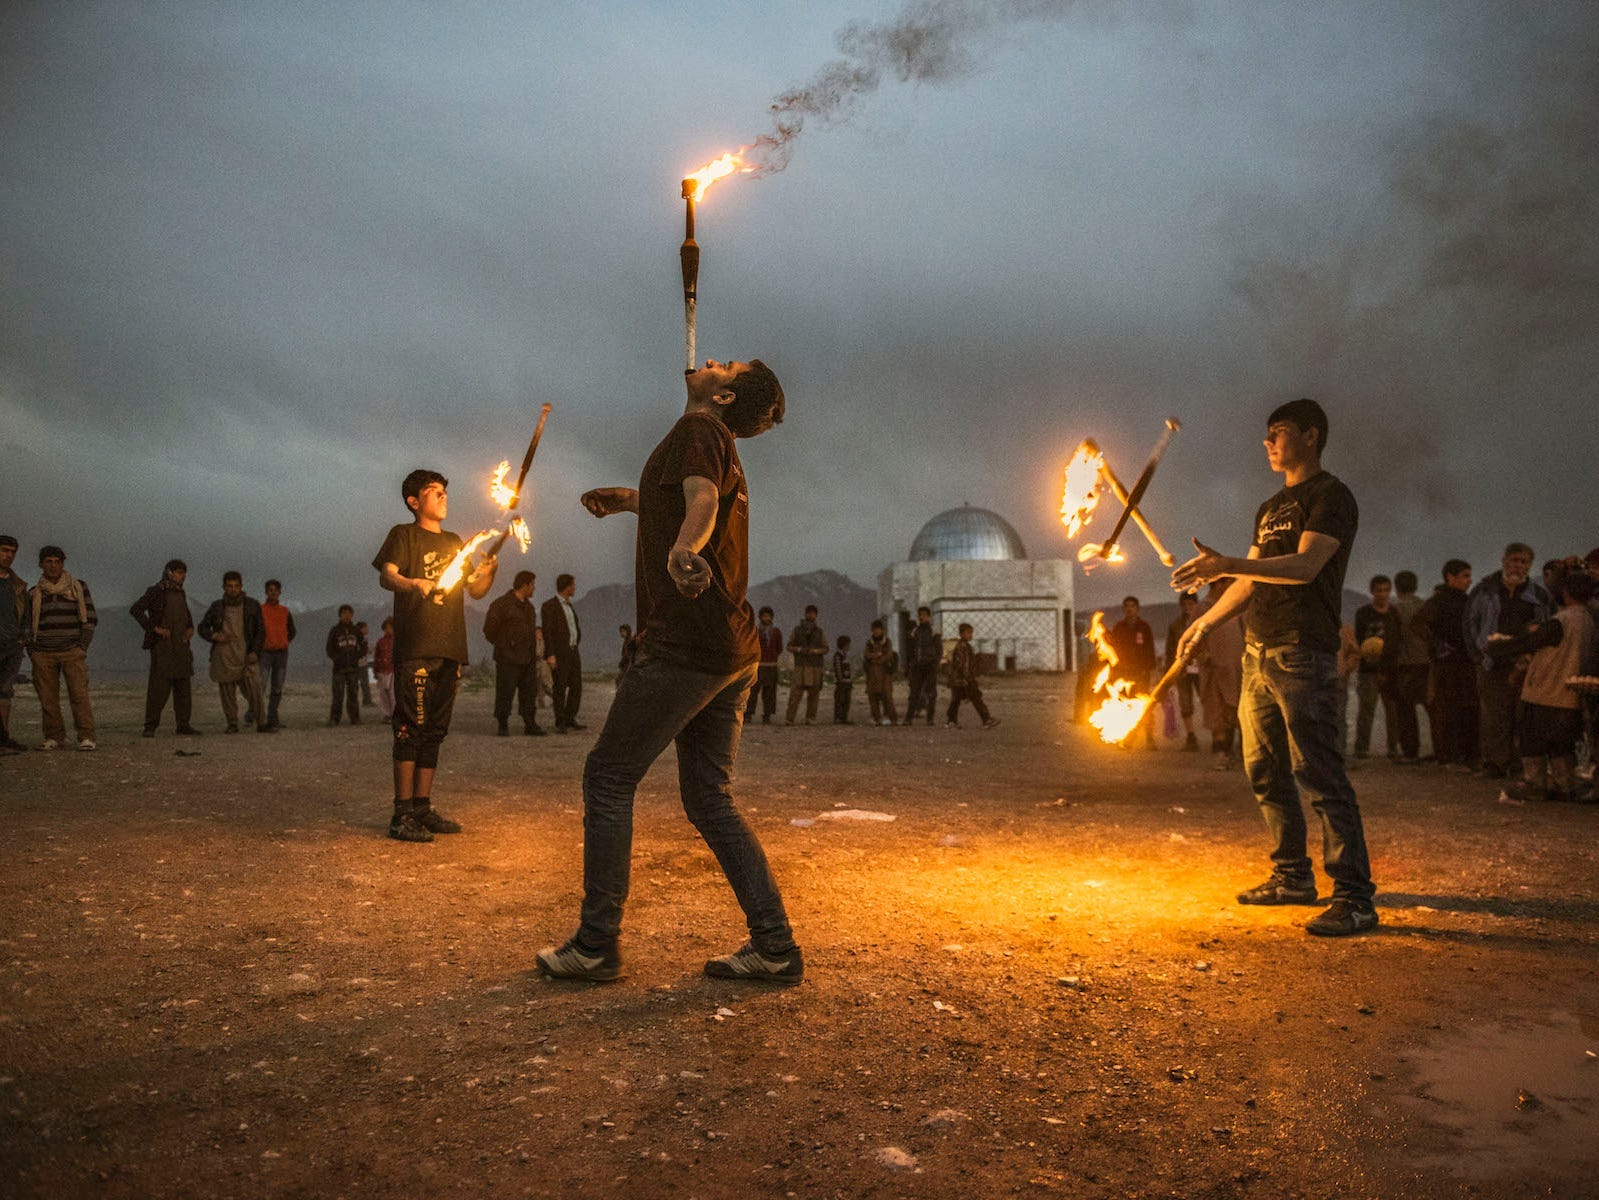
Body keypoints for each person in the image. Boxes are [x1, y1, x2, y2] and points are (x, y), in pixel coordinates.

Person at [537, 356, 800, 984]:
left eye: (724, 364)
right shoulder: (712, 445)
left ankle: (596, 944)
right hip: (732, 647)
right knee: (709, 799)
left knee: (608, 776)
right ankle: (775, 946)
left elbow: (702, 501)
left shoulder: (700, 431)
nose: (709, 360)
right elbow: (693, 494)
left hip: (686, 643)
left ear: (726, 393)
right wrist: (635, 501)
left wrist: (684, 548)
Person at [1172, 397, 1378, 937]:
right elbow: (1253, 578)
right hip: (1258, 652)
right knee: (1264, 769)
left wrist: (1229, 562)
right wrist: (1206, 622)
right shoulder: (1270, 507)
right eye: (1266, 434)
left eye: (1279, 433)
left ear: (1311, 436)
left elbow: (1306, 566)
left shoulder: (1331, 496)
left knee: (1319, 772)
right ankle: (1291, 877)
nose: (1268, 443)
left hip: (1302, 651)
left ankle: (1355, 897)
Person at [374, 468, 498, 842]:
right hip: (416, 647)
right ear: (414, 502)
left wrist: (489, 572)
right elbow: (387, 575)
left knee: (435, 731)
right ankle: (402, 813)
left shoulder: (455, 542)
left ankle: (423, 808)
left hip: (449, 647)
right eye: (433, 491)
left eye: (444, 490)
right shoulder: (404, 535)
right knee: (410, 727)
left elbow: (475, 591)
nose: (443, 495)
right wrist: (415, 583)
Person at [1493, 571, 1597, 802]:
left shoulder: (1563, 620)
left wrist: (1499, 646)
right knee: (1561, 743)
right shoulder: (1588, 619)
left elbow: (1531, 642)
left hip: (1546, 692)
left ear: (1566, 593)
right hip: (1570, 694)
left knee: (1532, 740)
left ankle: (1535, 782)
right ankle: (1564, 784)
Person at [1464, 543, 1551, 779]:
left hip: (1525, 664)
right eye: (1514, 560)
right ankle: (1494, 763)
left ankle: (1517, 763)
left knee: (1522, 715)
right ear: (1503, 561)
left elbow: (1547, 627)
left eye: (1523, 562)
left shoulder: (1539, 595)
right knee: (1493, 715)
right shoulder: (1484, 590)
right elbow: (1469, 624)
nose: (1518, 566)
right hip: (1491, 662)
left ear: (1529, 565)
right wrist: (1478, 656)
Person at [25, 544, 98, 751]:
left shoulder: (77, 587)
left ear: (63, 564)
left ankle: (86, 736)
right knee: (48, 698)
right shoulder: (34, 593)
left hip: (71, 651)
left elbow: (90, 618)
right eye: (49, 562)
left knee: (79, 695)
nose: (53, 566)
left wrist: (82, 647)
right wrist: (33, 651)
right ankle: (54, 737)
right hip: (43, 653)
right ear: (41, 564)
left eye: (57, 562)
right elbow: (28, 624)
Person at [1414, 559, 1477, 770]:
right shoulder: (1438, 601)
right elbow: (1418, 623)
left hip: (1466, 663)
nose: (1469, 581)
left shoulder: (1468, 601)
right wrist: (1437, 645)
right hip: (1446, 666)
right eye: (1465, 576)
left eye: (1469, 576)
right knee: (1446, 710)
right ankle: (1448, 756)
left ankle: (1465, 755)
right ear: (1450, 577)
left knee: (1467, 709)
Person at [130, 559, 201, 738]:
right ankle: (150, 726)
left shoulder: (181, 592)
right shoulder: (156, 591)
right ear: (169, 572)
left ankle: (183, 725)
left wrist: (191, 628)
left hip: (181, 646)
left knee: (183, 688)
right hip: (163, 647)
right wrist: (154, 629)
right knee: (158, 688)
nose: (182, 576)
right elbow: (136, 609)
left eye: (184, 573)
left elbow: (185, 615)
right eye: (179, 572)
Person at [197, 570, 266, 734]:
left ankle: (262, 722)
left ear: (241, 586)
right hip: (224, 655)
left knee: (254, 689)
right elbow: (202, 627)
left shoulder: (252, 605)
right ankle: (232, 723)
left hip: (246, 654)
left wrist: (255, 651)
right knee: (227, 692)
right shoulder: (217, 606)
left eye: (236, 586)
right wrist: (214, 635)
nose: (233, 589)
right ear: (224, 587)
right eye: (229, 586)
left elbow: (260, 632)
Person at [484, 569, 545, 737]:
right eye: (532, 584)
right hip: (508, 658)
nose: (534, 588)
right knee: (505, 692)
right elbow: (489, 630)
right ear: (524, 585)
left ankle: (530, 723)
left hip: (528, 658)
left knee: (529, 693)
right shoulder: (502, 605)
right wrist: (504, 646)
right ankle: (502, 724)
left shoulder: (530, 608)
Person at [1196, 579, 1244, 769]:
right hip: (1214, 672)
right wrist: (1205, 656)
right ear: (1218, 584)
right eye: (1229, 583)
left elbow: (1245, 631)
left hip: (1236, 671)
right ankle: (1221, 755)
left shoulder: (1234, 606)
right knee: (1217, 718)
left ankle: (1235, 753)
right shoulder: (1202, 609)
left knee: (1234, 714)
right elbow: (1193, 639)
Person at [1352, 575, 1400, 759]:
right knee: (1366, 710)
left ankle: (1393, 748)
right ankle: (1361, 748)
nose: (1383, 594)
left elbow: (1397, 641)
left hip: (1390, 670)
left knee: (1392, 711)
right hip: (1368, 670)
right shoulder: (1363, 613)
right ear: (1372, 591)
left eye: (1386, 590)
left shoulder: (1394, 614)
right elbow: (1358, 638)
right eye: (1379, 590)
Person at [1107, 596, 1157, 748]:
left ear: (1137, 609)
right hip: (1123, 673)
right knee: (1125, 705)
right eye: (1127, 606)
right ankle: (1127, 737)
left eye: (1132, 606)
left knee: (1144, 705)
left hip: (1141, 673)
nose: (1130, 609)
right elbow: (1112, 650)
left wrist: (1150, 669)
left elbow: (1150, 650)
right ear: (1123, 609)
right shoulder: (1118, 628)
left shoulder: (1144, 627)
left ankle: (1149, 737)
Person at [541, 573, 585, 733]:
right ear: (566, 587)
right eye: (573, 585)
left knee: (576, 686)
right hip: (560, 653)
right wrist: (550, 654)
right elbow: (548, 632)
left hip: (573, 651)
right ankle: (560, 721)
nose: (574, 588)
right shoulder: (550, 606)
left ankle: (570, 717)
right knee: (560, 687)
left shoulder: (569, 606)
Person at [254, 579, 296, 730]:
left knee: (277, 687)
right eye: (270, 590)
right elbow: (255, 631)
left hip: (281, 653)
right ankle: (256, 714)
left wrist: (283, 641)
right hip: (265, 653)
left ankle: (273, 717)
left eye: (275, 590)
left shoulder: (285, 611)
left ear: (279, 592)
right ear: (266, 592)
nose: (273, 592)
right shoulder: (260, 610)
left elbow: (292, 631)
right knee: (261, 685)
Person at [0, 535, 29, 751]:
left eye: (12, 551)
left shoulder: (16, 584)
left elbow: (23, 614)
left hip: (12, 644)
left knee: (5, 691)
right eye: (4, 550)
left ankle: (3, 737)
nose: (8, 555)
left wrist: (21, 639)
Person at [1164, 592, 1203, 751]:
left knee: (1209, 699)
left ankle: (1221, 737)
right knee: (1185, 703)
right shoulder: (1175, 625)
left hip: (1202, 669)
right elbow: (1170, 650)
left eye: (1191, 604)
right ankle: (1191, 736)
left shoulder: (1204, 622)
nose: (1188, 608)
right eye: (1185, 605)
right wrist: (1169, 674)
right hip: (1183, 670)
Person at [945, 623, 1000, 729]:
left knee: (957, 700)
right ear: (961, 634)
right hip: (963, 679)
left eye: (971, 633)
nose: (971, 635)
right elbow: (962, 664)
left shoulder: (965, 646)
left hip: (959, 679)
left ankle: (951, 721)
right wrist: (968, 678)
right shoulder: (962, 647)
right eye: (968, 633)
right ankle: (986, 719)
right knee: (975, 698)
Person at [785, 605, 827, 725]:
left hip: (815, 666)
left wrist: (815, 651)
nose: (811, 615)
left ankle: (810, 718)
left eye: (813, 613)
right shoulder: (797, 630)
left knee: (814, 694)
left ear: (816, 615)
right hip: (801, 666)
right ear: (805, 614)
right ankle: (790, 718)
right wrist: (799, 649)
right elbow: (789, 646)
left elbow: (825, 648)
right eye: (809, 613)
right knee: (795, 693)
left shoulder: (820, 632)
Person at [325, 606, 365, 726]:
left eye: (349, 613)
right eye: (344, 613)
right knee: (338, 694)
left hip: (353, 667)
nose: (346, 615)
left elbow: (363, 644)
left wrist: (358, 656)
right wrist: (336, 658)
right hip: (339, 668)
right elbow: (329, 648)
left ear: (352, 615)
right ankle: (334, 718)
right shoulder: (335, 630)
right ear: (340, 615)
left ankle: (355, 718)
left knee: (353, 693)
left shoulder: (356, 630)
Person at [904, 606, 943, 726]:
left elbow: (939, 650)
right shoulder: (914, 632)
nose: (921, 617)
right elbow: (909, 651)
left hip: (930, 666)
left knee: (931, 693)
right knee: (914, 693)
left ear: (929, 617)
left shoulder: (934, 632)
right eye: (920, 615)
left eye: (924, 615)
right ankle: (908, 718)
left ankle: (930, 718)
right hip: (917, 667)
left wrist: (935, 663)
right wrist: (909, 665)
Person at [743, 606, 783, 723]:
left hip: (771, 666)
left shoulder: (776, 632)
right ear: (760, 617)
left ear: (771, 617)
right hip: (757, 665)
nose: (766, 618)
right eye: (764, 616)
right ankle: (748, 714)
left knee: (769, 693)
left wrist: (772, 656)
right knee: (752, 691)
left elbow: (779, 648)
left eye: (768, 616)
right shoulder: (755, 630)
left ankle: (767, 715)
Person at [863, 619, 899, 726]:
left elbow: (889, 655)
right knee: (873, 697)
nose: (876, 632)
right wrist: (876, 656)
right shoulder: (869, 643)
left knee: (887, 697)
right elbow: (866, 654)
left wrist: (877, 659)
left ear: (882, 630)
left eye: (878, 629)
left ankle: (893, 719)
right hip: (872, 674)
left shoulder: (887, 641)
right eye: (874, 630)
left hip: (884, 674)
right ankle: (877, 719)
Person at [373, 617, 396, 720]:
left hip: (393, 670)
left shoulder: (397, 641)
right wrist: (376, 671)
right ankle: (387, 714)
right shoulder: (380, 642)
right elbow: (376, 657)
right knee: (383, 694)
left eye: (390, 627)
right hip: (382, 670)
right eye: (386, 628)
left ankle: (395, 714)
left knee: (393, 694)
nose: (388, 630)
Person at [832, 634, 854, 724]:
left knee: (847, 700)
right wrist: (841, 679)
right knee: (840, 700)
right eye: (848, 645)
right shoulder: (838, 656)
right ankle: (838, 718)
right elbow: (838, 668)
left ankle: (844, 717)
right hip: (841, 683)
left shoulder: (846, 656)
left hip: (848, 682)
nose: (849, 647)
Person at [356, 621, 375, 708]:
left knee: (364, 683)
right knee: (364, 683)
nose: (367, 629)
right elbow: (365, 650)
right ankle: (366, 701)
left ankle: (366, 701)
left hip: (362, 663)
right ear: (361, 629)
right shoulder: (359, 639)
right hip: (359, 664)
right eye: (365, 628)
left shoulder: (364, 639)